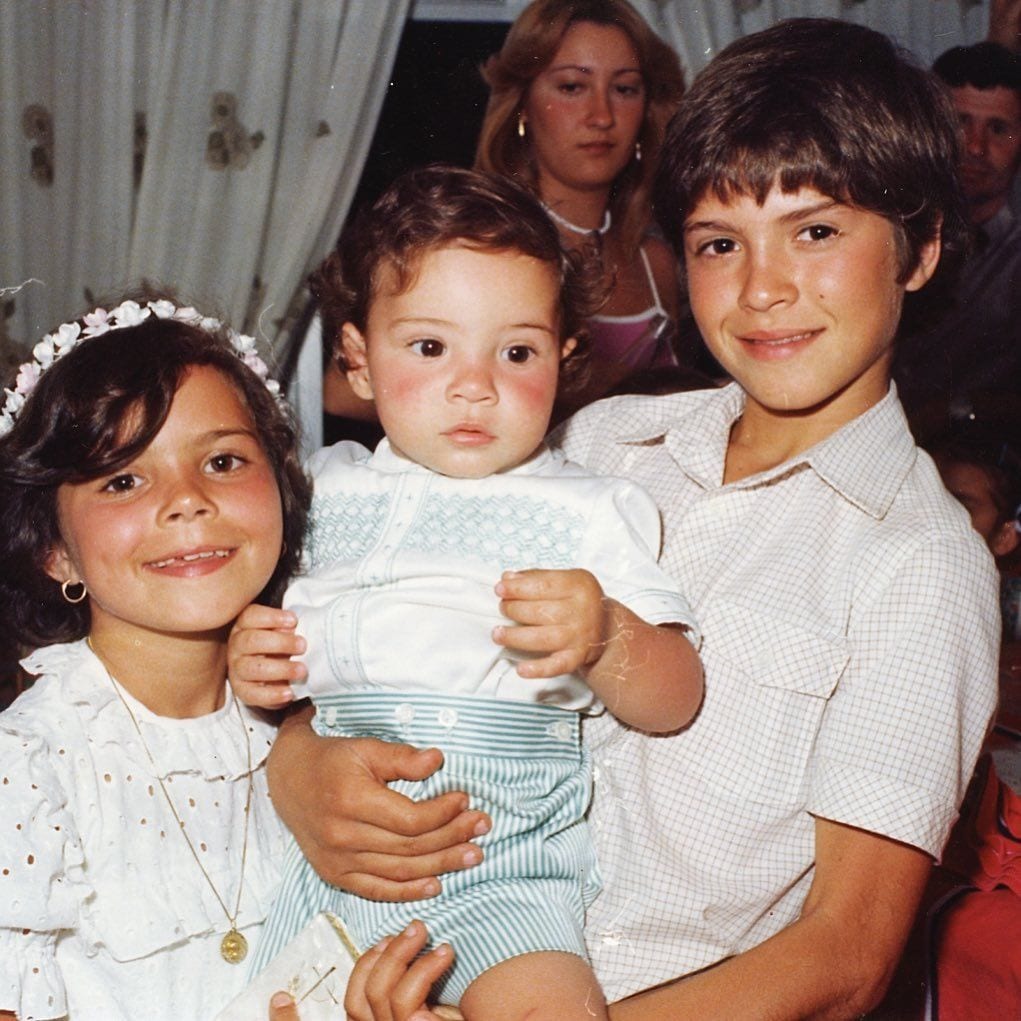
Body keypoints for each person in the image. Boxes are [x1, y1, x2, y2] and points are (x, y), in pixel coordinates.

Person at [245, 18, 1001, 1021]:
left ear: (919, 252)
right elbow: (402, 627)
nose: (763, 286)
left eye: (815, 231)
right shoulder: (603, 443)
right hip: (416, 945)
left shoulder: (918, 563)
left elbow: (842, 955)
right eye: (719, 243)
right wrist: (299, 764)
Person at [237, 164, 703, 1021]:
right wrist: (252, 661)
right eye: (428, 346)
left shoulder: (589, 509)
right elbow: (258, 643)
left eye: (515, 351)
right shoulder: (319, 492)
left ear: (564, 364)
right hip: (327, 869)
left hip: (505, 870)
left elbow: (675, 695)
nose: (474, 383)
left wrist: (605, 635)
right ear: (357, 361)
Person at [0, 297, 312, 1020]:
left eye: (223, 460)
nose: (187, 501)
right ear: (54, 548)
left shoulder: (310, 720)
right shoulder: (31, 764)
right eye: (124, 479)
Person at [323, 0, 700, 430]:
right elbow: (340, 393)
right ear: (523, 103)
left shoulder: (656, 260)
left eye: (625, 89)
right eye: (572, 87)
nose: (602, 116)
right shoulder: (479, 242)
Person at [894, 41, 1021, 424]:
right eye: (960, 123)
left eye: (998, 129)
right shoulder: (890, 226)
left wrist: (955, 412)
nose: (976, 148)